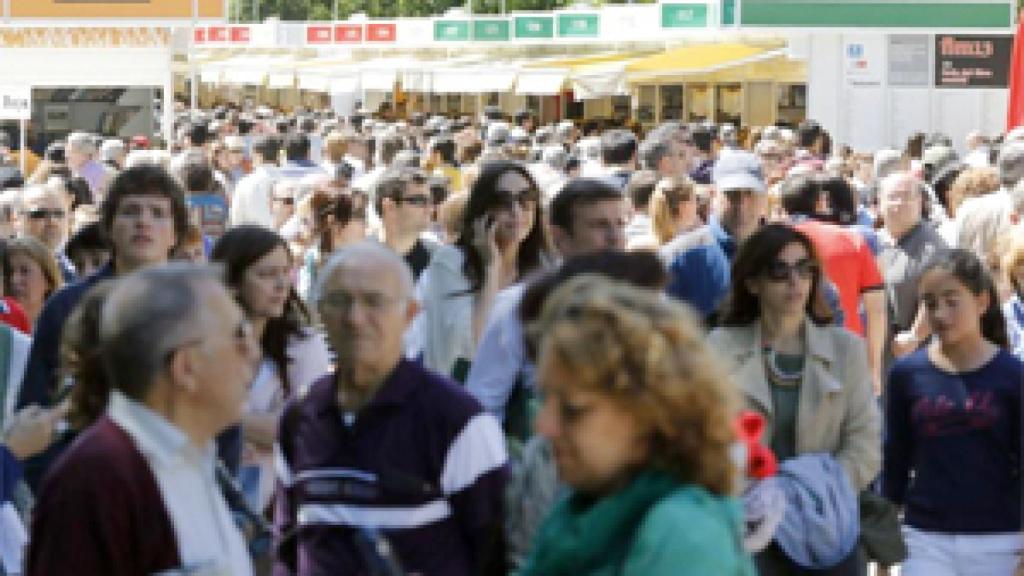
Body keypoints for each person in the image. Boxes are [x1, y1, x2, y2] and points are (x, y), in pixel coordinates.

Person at [273, 242, 507, 576]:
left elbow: (497, 553)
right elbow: (287, 547)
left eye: (374, 302)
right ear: (321, 312)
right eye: (340, 301)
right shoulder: (300, 417)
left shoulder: (457, 421)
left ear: (410, 314)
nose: (355, 318)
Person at [27, 263, 258, 576]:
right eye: (238, 336)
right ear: (185, 367)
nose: (252, 352)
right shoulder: (96, 477)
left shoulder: (195, 457)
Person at [518, 275, 754, 575]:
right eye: (545, 399)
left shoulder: (681, 533)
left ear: (650, 414)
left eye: (573, 409)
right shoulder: (583, 506)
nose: (544, 426)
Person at [709, 223, 881, 574]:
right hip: (748, 529)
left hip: (828, 526)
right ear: (752, 282)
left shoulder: (846, 349)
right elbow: (702, 441)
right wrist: (759, 498)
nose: (795, 280)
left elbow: (865, 444)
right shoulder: (718, 348)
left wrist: (810, 493)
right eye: (779, 270)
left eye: (805, 269)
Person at [16, 164, 190, 487]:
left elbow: (225, 418)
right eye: (130, 212)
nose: (143, 222)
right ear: (109, 228)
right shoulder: (68, 307)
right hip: (85, 486)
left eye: (157, 213)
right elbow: (35, 409)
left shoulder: (200, 307)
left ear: (175, 233)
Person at [883, 249, 1024, 576]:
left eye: (952, 300)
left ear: (982, 302)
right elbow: (895, 460)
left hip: (1000, 538)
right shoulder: (907, 373)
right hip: (925, 536)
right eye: (930, 303)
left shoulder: (1013, 376)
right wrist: (886, 541)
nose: (940, 313)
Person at [466, 177, 628, 422]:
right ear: (561, 237)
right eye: (599, 225)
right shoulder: (518, 305)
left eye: (620, 224)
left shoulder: (648, 299)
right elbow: (483, 406)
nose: (615, 237)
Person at [211, 225, 332, 511]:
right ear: (232, 282)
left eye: (285, 272)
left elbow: (308, 432)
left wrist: (223, 421)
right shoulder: (198, 345)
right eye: (266, 274)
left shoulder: (303, 346)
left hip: (276, 509)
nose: (281, 284)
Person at [415, 160, 549, 380]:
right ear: (482, 210)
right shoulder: (449, 263)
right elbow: (476, 349)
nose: (516, 211)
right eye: (503, 201)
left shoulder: (545, 262)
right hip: (461, 399)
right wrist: (491, 266)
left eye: (526, 199)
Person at [376, 167, 438, 279]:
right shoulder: (361, 261)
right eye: (419, 201)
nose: (430, 209)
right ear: (390, 207)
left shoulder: (438, 260)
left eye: (430, 201)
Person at [4, 236, 63, 330]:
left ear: (48, 280)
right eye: (9, 272)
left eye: (24, 271)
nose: (14, 280)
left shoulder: (63, 328)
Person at [230, 134, 281, 228]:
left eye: (252, 155)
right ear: (278, 155)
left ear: (258, 155)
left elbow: (236, 220)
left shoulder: (245, 183)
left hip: (254, 239)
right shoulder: (288, 181)